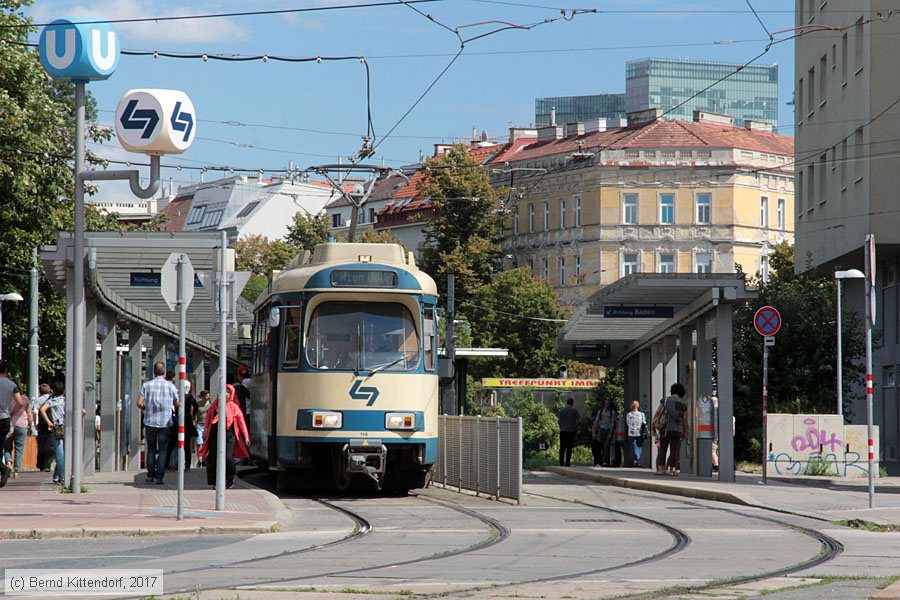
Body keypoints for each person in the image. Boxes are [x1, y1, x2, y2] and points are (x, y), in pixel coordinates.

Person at [199, 384, 250, 489]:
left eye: (228, 391)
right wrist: (206, 429)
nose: (226, 394)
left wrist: (246, 437)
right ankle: (215, 482)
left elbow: (241, 422)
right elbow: (208, 417)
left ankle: (230, 476)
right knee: (213, 458)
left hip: (229, 435)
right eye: (224, 391)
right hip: (214, 434)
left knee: (228, 457)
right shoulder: (215, 404)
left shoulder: (234, 407)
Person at [136, 362, 178, 485]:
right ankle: (159, 477)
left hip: (150, 422)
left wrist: (146, 408)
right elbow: (177, 402)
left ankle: (150, 475)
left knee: (151, 449)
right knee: (163, 450)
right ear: (164, 372)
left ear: (154, 372)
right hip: (166, 423)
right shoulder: (170, 386)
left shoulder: (147, 385)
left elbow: (139, 403)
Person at [656, 383, 688, 476]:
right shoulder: (683, 404)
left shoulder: (665, 400)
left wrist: (655, 424)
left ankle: (661, 469)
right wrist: (685, 431)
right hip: (678, 429)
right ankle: (671, 469)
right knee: (675, 450)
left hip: (665, 427)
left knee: (663, 448)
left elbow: (658, 412)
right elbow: (685, 419)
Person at [39, 382, 67, 485]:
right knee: (66, 453)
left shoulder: (52, 401)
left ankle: (58, 476)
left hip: (57, 427)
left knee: (60, 454)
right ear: (64, 391)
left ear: (53, 391)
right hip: (67, 427)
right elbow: (83, 411)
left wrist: (49, 422)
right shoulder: (67, 401)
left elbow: (42, 410)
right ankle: (60, 475)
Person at [8, 380, 33, 478]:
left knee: (6, 446)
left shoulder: (7, 398)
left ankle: (9, 463)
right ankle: (16, 470)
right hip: (22, 425)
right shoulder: (25, 398)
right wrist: (31, 425)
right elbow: (29, 414)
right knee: (19, 448)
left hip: (9, 424)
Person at [0, 362, 19, 486]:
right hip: (5, 418)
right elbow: (20, 401)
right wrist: (12, 412)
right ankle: (3, 468)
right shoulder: (12, 384)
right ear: (5, 370)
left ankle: (3, 468)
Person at [33, 383, 53, 472]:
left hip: (42, 423)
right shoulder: (52, 399)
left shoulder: (38, 400)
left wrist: (34, 424)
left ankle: (40, 463)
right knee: (50, 444)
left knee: (41, 443)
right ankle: (47, 464)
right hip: (51, 423)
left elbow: (35, 412)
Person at [591, 399, 615, 467]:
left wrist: (610, 433)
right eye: (606, 403)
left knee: (606, 446)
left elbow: (612, 423)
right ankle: (600, 461)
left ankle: (606, 462)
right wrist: (594, 432)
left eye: (608, 404)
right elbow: (597, 422)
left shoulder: (612, 412)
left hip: (608, 430)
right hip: (601, 430)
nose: (607, 405)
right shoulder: (600, 412)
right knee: (600, 446)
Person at [557, 397, 579, 467]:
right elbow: (578, 421)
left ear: (567, 402)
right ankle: (567, 463)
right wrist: (575, 427)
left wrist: (561, 426)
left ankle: (561, 462)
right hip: (571, 431)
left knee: (562, 447)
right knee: (569, 448)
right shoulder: (575, 411)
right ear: (572, 403)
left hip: (563, 430)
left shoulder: (562, 410)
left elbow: (559, 420)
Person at [625, 400, 647, 468]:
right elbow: (644, 423)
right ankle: (638, 460)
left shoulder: (629, 415)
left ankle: (637, 460)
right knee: (639, 447)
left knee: (634, 447)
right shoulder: (642, 414)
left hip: (631, 433)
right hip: (640, 432)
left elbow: (627, 423)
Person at [195, 390, 210, 468]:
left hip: (207, 426)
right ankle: (199, 459)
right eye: (207, 396)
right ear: (203, 396)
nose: (208, 397)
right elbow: (194, 414)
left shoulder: (210, 405)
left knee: (206, 443)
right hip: (199, 425)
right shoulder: (198, 404)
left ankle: (205, 459)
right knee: (199, 442)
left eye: (209, 395)